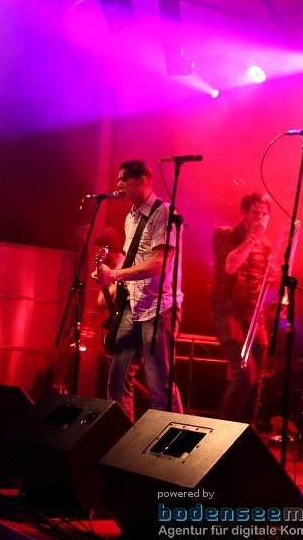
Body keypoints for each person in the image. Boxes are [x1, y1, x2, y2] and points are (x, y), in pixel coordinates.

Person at [93, 159, 183, 420]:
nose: (118, 185)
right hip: (134, 304)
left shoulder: (164, 212)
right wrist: (107, 274)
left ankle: (174, 445)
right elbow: (134, 259)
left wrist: (116, 275)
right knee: (117, 379)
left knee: (159, 384)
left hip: (159, 307)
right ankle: (120, 444)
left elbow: (158, 264)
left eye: (123, 179)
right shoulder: (130, 217)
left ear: (142, 180)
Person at [211, 191, 279, 424]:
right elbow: (230, 266)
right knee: (244, 375)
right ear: (244, 213)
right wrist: (251, 238)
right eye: (256, 213)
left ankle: (247, 433)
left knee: (258, 379)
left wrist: (272, 278)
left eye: (264, 214)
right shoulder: (225, 234)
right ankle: (224, 433)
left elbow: (265, 287)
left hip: (255, 316)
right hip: (228, 311)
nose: (261, 219)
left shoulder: (267, 245)